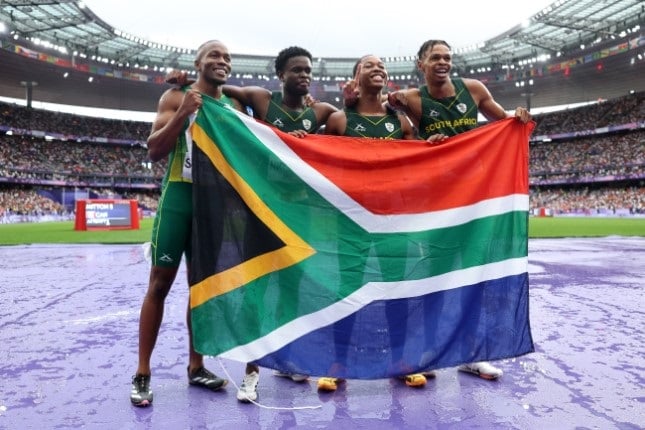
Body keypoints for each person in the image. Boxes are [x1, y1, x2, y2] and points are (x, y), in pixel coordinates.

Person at [167, 45, 338, 401]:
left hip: (299, 214)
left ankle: (290, 361)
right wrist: (185, 82)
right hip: (259, 208)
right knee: (257, 287)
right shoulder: (260, 100)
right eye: (296, 70)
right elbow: (218, 91)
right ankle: (252, 371)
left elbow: (345, 132)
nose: (304, 75)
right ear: (281, 75)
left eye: (308, 70)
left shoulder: (321, 112)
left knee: (292, 290)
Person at [387, 39, 532, 380]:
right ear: (420, 62)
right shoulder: (411, 99)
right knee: (431, 278)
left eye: (447, 57)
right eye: (435, 57)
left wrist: (518, 116)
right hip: (435, 199)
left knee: (474, 276)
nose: (443, 62)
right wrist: (423, 143)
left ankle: (470, 353)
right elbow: (386, 118)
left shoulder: (474, 89)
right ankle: (426, 352)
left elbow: (504, 122)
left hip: (476, 196)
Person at [130, 40, 245, 407]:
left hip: (211, 205)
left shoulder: (232, 107)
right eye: (214, 55)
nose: (222, 61)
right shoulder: (175, 96)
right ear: (198, 63)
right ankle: (143, 372)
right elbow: (154, 150)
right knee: (160, 283)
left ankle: (196, 366)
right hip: (179, 196)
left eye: (227, 58)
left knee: (200, 289)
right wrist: (183, 112)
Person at [319, 54, 426, 392]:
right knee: (347, 290)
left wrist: (431, 148)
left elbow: (418, 165)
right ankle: (337, 363)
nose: (378, 69)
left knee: (397, 291)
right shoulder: (339, 120)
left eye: (382, 66)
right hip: (350, 221)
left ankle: (400, 361)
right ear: (356, 76)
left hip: (392, 219)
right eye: (369, 65)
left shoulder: (402, 123)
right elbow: (321, 166)